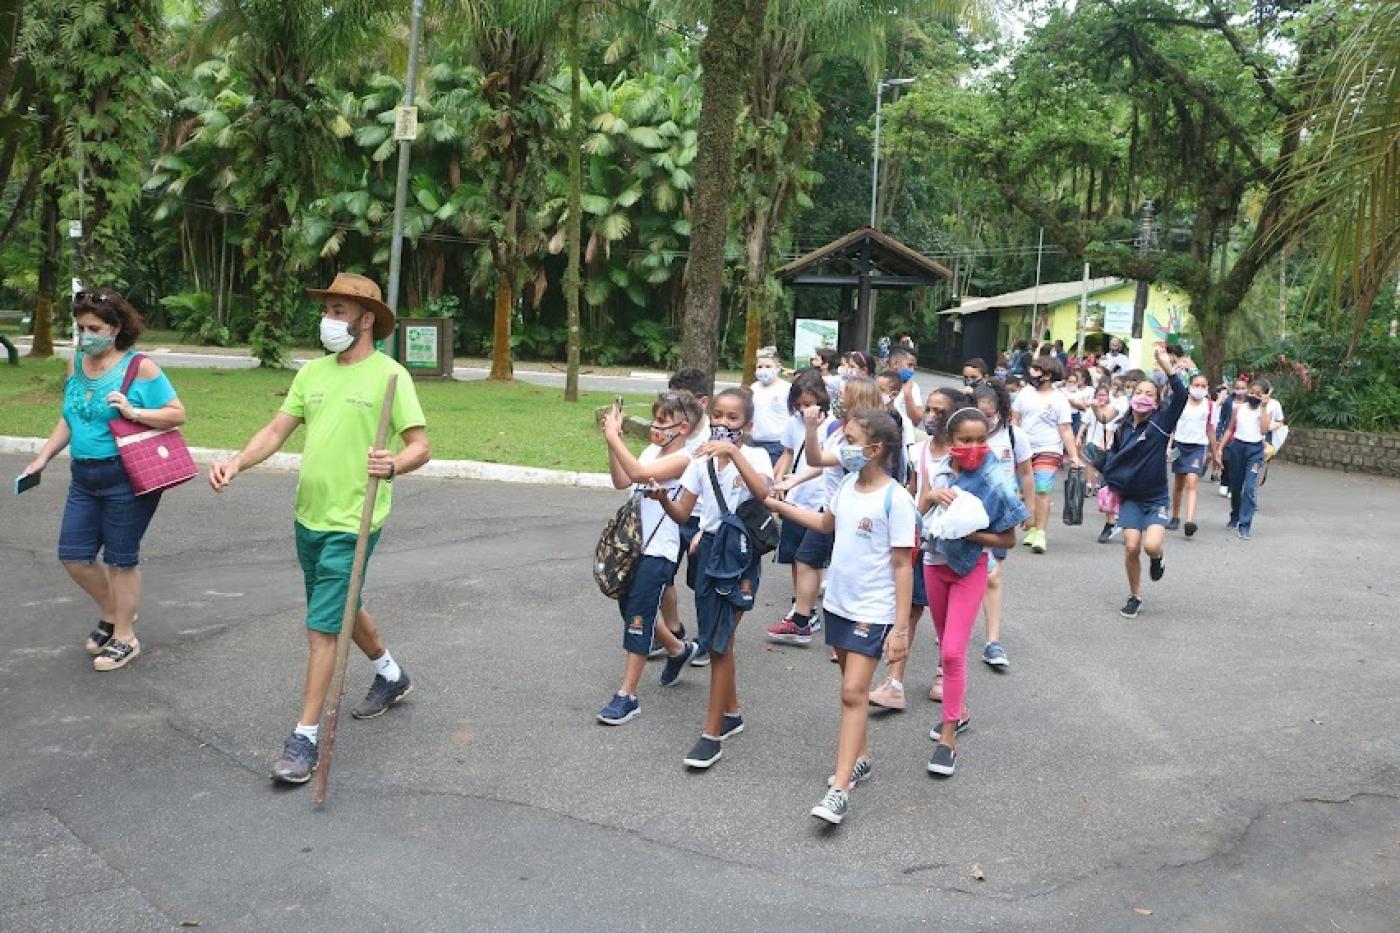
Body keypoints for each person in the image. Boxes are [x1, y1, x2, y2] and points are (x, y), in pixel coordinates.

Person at [208, 273, 430, 785]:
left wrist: (393, 464)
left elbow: (420, 446)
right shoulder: (313, 374)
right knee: (341, 605)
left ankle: (304, 738)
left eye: (337, 311)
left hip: (354, 519)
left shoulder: (390, 376)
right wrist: (238, 462)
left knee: (320, 628)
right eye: (327, 310)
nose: (327, 320)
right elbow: (276, 430)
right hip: (308, 516)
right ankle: (391, 674)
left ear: (366, 319)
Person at [21, 288, 186, 672]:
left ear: (115, 329)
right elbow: (70, 416)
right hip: (84, 475)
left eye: (93, 327)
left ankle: (125, 637)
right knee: (74, 557)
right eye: (80, 328)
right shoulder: (76, 364)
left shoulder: (138, 367)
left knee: (120, 560)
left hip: (125, 474)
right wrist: (43, 458)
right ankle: (115, 612)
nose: (85, 335)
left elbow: (177, 414)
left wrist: (134, 411)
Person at [765, 409, 915, 825]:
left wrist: (899, 630)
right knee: (850, 690)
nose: (841, 447)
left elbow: (904, 566)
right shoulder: (848, 484)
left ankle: (840, 789)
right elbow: (825, 523)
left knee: (852, 694)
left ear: (875, 448)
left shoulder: (896, 499)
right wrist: (777, 504)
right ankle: (861, 757)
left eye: (849, 439)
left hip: (873, 609)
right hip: (838, 606)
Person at [650, 388, 773, 770]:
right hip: (708, 557)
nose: (723, 423)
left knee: (718, 644)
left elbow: (764, 493)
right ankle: (732, 713)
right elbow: (685, 514)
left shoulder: (753, 455)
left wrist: (733, 453)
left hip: (739, 559)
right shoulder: (699, 461)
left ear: (748, 426)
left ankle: (711, 735)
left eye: (733, 418)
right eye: (718, 415)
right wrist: (663, 499)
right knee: (721, 640)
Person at [918, 407, 1027, 777]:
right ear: (951, 441)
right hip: (934, 564)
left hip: (970, 569)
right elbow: (919, 516)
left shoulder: (996, 480)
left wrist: (969, 534)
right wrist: (931, 496)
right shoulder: (941, 468)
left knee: (951, 653)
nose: (975, 447)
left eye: (981, 440)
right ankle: (959, 711)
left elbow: (1008, 538)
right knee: (942, 642)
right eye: (966, 440)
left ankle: (947, 740)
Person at [596, 393, 703, 724]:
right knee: (630, 609)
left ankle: (627, 695)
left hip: (658, 550)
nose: (655, 427)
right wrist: (613, 443)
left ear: (683, 427)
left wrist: (614, 435)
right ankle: (677, 648)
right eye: (654, 420)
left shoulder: (685, 459)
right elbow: (622, 480)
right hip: (632, 547)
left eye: (662, 422)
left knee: (639, 617)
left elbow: (641, 475)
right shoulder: (649, 452)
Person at [868, 387, 967, 710]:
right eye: (930, 410)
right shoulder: (919, 451)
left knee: (948, 614)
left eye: (940, 412)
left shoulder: (964, 453)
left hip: (956, 546)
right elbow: (913, 492)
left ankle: (943, 672)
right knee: (909, 611)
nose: (932, 417)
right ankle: (894, 682)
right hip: (922, 543)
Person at [1098, 346, 1188, 618]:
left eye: (1150, 394)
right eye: (1139, 392)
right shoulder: (1122, 427)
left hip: (1156, 498)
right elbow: (1113, 459)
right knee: (1131, 546)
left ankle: (1158, 558)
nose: (1143, 397)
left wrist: (1166, 366)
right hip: (1130, 499)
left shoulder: (1161, 423)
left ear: (1158, 402)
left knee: (1150, 546)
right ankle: (1135, 596)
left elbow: (1181, 395)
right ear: (1131, 396)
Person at [652, 369, 713, 662]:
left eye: (681, 401)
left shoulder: (718, 436)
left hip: (704, 520)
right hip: (672, 513)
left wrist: (707, 527)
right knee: (662, 575)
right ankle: (674, 632)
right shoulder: (670, 431)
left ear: (702, 402)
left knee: (704, 583)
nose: (673, 408)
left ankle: (708, 639)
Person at [767, 371, 833, 642]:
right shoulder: (794, 422)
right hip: (795, 496)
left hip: (819, 499)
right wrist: (775, 478)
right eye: (799, 404)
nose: (804, 409)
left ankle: (805, 615)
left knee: (810, 558)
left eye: (809, 403)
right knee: (795, 556)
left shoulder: (832, 426)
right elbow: (789, 452)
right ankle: (801, 605)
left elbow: (824, 462)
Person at [972, 380, 1033, 669]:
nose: (985, 419)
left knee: (992, 575)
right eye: (979, 412)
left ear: (1000, 410)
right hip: (968, 511)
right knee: (966, 572)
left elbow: (1026, 474)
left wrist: (1028, 510)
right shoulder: (966, 434)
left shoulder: (1014, 436)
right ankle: (956, 621)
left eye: (990, 413)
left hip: (1000, 514)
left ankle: (992, 642)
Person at [1010, 356, 1081, 553]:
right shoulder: (1024, 393)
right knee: (1022, 491)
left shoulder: (1059, 399)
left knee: (1042, 488)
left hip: (1049, 448)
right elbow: (1015, 420)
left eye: (1036, 370)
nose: (1031, 373)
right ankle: (1031, 523)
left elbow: (1065, 429)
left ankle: (1040, 532)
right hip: (1023, 449)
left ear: (1048, 375)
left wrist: (1074, 455)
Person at [1222, 377, 1282, 541]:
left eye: (1259, 394)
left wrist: (1263, 407)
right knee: (1235, 486)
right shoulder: (1238, 409)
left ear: (1265, 396)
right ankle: (1235, 515)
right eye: (1252, 392)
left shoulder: (1265, 412)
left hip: (1255, 450)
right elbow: (1230, 429)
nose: (1254, 396)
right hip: (1237, 448)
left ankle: (1245, 525)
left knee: (1249, 488)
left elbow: (1263, 430)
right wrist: (1220, 448)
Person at [1168, 373, 1218, 538]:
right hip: (1180, 445)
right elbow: (1172, 426)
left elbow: (1210, 429)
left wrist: (1215, 452)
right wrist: (1168, 446)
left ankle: (1190, 521)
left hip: (1198, 446)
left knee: (1192, 481)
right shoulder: (1180, 402)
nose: (1200, 389)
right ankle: (1175, 516)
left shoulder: (1209, 406)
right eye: (1196, 385)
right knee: (1178, 484)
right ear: (1189, 386)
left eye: (1203, 386)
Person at [1078, 382, 1120, 542]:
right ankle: (1110, 523)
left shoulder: (1120, 404)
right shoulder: (1095, 409)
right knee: (1107, 484)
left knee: (1119, 486)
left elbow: (1109, 425)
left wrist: (1105, 443)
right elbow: (1102, 420)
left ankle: (1122, 519)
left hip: (1118, 451)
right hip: (1099, 448)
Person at [749, 349, 791, 465]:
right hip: (755, 440)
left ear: (777, 368)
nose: (763, 370)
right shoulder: (754, 387)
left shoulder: (786, 388)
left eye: (768, 366)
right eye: (759, 367)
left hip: (776, 442)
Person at [888, 347, 925, 427]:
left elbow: (917, 420)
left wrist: (907, 393)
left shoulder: (913, 387)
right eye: (909, 365)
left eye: (913, 366)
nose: (912, 370)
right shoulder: (877, 383)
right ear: (895, 364)